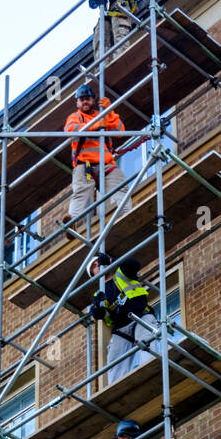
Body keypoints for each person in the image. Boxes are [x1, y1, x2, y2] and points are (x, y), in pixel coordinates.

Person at [63, 84, 132, 223]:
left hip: (106, 165)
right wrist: (93, 126)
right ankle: (71, 222)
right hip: (85, 165)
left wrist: (110, 111)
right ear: (77, 102)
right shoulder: (76, 117)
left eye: (87, 98)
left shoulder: (102, 115)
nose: (85, 102)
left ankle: (127, 217)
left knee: (121, 188)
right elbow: (70, 130)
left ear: (93, 100)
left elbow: (120, 131)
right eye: (81, 99)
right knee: (81, 192)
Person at [89, 253, 157, 383]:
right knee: (114, 360)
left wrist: (111, 260)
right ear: (94, 274)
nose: (98, 265)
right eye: (94, 266)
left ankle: (151, 371)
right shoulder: (99, 294)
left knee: (146, 342)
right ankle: (116, 388)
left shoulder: (121, 273)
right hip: (121, 329)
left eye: (98, 262)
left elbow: (134, 264)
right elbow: (97, 315)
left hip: (140, 316)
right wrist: (98, 305)